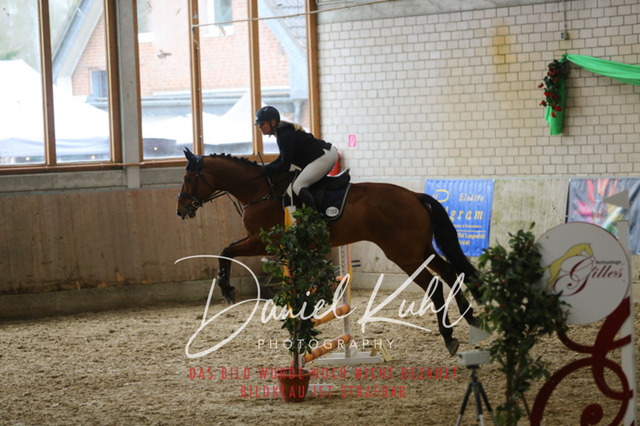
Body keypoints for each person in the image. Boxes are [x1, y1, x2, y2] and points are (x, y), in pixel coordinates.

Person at [255, 106, 338, 209]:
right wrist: (264, 168)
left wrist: (265, 170)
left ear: (273, 122)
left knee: (298, 186)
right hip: (327, 154)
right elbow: (282, 158)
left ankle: (314, 217)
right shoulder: (282, 132)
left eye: (262, 124)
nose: (259, 127)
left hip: (324, 157)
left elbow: (285, 165)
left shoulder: (285, 135)